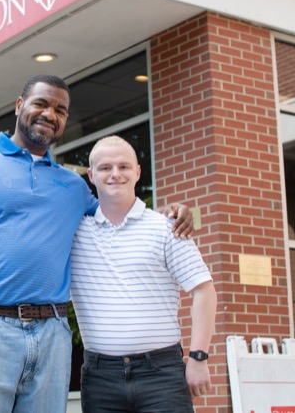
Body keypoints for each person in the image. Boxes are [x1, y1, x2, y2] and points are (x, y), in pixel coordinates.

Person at [0, 75, 194, 413]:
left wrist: (170, 213)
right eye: (41, 103)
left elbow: (118, 218)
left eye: (60, 110)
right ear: (20, 106)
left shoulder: (73, 186)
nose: (50, 114)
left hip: (52, 336)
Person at [70, 135, 217, 413]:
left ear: (137, 172)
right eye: (105, 168)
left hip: (162, 375)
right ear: (91, 175)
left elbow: (204, 290)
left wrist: (199, 358)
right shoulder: (75, 232)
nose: (115, 174)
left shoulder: (167, 227)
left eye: (124, 167)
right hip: (100, 378)